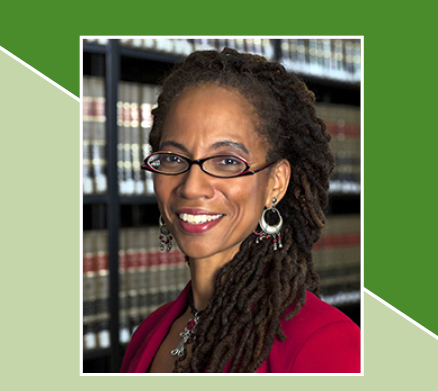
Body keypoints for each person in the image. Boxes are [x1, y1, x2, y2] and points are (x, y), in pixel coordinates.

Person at [120, 48, 360, 373]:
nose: (192, 187)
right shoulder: (148, 333)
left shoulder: (324, 344)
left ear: (276, 183)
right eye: (174, 158)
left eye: (228, 161)